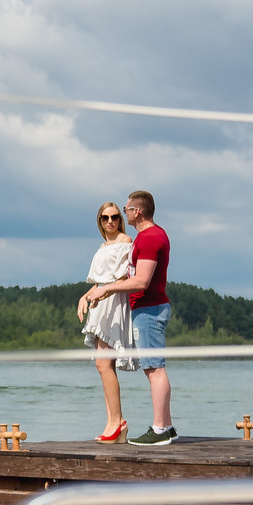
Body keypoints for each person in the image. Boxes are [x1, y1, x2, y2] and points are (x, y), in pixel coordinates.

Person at [82, 189, 176, 445]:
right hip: (146, 308)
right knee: (153, 368)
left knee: (155, 369)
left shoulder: (149, 238)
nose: (120, 216)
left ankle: (160, 429)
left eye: (124, 211)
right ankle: (165, 426)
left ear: (138, 211)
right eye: (107, 217)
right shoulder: (148, 237)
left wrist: (108, 289)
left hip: (149, 309)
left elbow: (142, 281)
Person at [74, 201, 135, 441]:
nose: (110, 222)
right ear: (99, 221)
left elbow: (121, 276)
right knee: (101, 365)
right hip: (100, 302)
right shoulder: (103, 245)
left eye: (115, 217)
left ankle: (117, 422)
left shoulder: (125, 242)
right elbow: (99, 281)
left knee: (104, 363)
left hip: (113, 301)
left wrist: (101, 292)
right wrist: (85, 295)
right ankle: (113, 422)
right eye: (105, 218)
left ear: (120, 219)